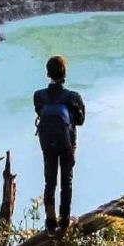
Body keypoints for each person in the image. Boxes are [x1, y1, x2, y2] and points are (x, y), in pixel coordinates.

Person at [33, 55, 85, 235]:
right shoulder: (73, 97)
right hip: (67, 144)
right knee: (66, 182)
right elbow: (80, 120)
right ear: (64, 73)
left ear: (48, 73)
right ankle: (64, 221)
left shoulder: (38, 96)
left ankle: (50, 222)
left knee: (50, 182)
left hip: (47, 145)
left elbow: (39, 111)